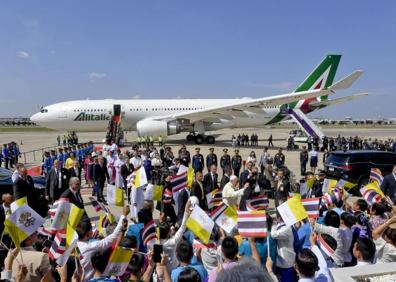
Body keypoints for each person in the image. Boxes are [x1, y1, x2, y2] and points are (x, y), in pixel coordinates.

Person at [77, 206, 129, 280]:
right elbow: (114, 236)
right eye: (91, 230)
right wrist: (124, 215)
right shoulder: (92, 246)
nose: (93, 232)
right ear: (87, 234)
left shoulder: (74, 243)